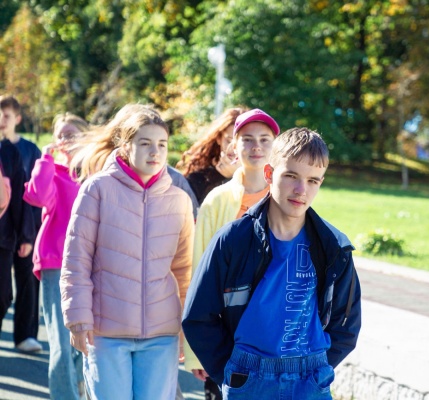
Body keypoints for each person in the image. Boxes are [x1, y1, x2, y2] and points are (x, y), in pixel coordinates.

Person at [182, 127, 362, 399]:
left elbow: (346, 325)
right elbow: (198, 315)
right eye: (291, 176)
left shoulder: (334, 247)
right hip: (247, 376)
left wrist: (320, 367)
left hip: (310, 379)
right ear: (269, 173)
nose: (301, 190)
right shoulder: (233, 239)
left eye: (313, 180)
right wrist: (228, 372)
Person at [60, 104, 194, 400]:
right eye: (145, 143)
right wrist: (78, 319)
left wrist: (187, 327)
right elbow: (77, 261)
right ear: (124, 146)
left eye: (162, 144)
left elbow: (185, 270)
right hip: (105, 333)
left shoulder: (180, 200)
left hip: (162, 334)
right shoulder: (97, 190)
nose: (155, 152)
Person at [182, 108, 279, 399]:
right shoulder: (217, 200)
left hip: (273, 332)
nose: (256, 146)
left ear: (275, 146)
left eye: (264, 139)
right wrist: (196, 350)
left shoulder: (286, 198)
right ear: (234, 146)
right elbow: (200, 274)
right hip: (225, 334)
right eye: (247, 139)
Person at [23, 113, 88, 399]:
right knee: (61, 343)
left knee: (86, 340)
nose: (64, 139)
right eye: (60, 135)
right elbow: (37, 196)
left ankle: (79, 387)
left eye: (71, 133)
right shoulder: (52, 172)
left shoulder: (97, 175)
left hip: (89, 266)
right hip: (54, 263)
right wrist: (45, 160)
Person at [0, 96, 37, 352]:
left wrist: (28, 234)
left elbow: (29, 194)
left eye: (6, 116)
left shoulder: (26, 150)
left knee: (24, 282)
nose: (2, 121)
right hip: (5, 230)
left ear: (17, 119)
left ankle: (25, 336)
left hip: (22, 226)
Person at [178, 107, 247, 206]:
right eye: (229, 141)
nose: (233, 148)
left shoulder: (262, 178)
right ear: (219, 138)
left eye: (242, 141)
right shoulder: (198, 178)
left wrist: (237, 176)